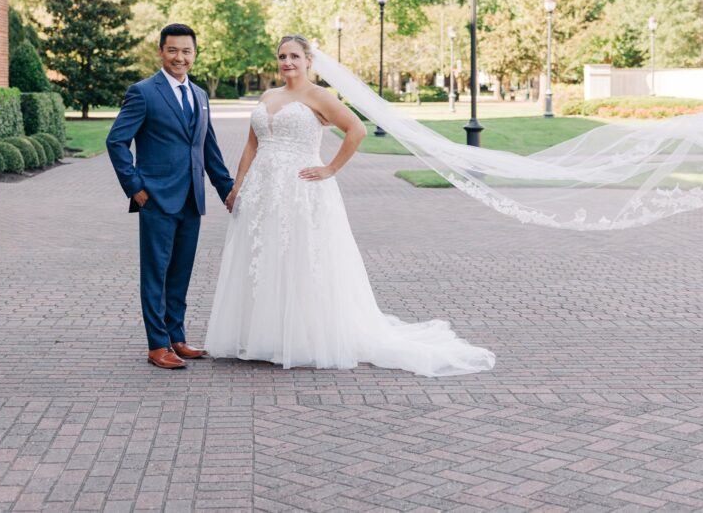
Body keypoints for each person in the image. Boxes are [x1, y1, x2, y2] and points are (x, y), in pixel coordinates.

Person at [204, 35, 496, 377]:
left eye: (295, 56)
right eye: (282, 56)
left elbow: (356, 130)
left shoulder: (318, 96)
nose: (287, 62)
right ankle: (261, 335)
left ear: (308, 60)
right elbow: (252, 145)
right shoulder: (269, 96)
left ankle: (301, 336)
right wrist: (238, 185)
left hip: (301, 190)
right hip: (262, 191)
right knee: (263, 258)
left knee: (299, 258)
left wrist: (329, 168)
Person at [106, 23, 234, 369]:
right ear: (161, 52)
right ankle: (157, 344)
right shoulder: (144, 92)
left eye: (187, 51)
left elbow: (208, 148)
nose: (180, 57)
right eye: (173, 50)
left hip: (192, 199)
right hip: (157, 199)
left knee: (180, 272)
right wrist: (135, 187)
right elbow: (116, 141)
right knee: (156, 273)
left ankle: (176, 337)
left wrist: (228, 191)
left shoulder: (200, 95)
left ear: (195, 53)